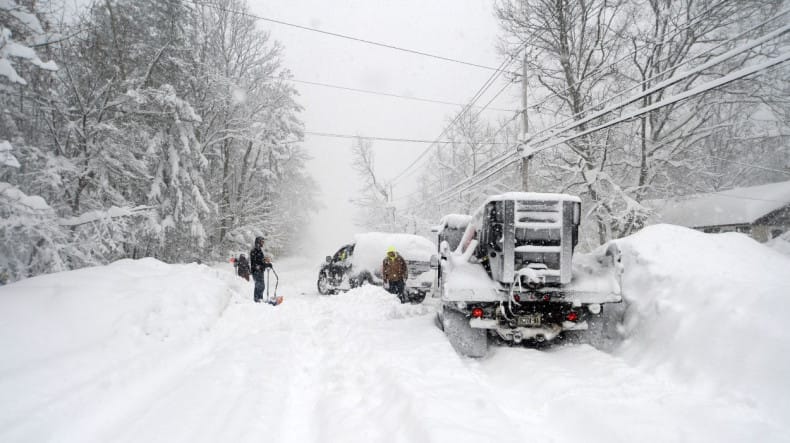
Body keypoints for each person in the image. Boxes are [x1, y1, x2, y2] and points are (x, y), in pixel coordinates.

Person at [249, 236, 272, 303]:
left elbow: (260, 261)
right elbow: (256, 263)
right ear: (258, 242)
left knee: (261, 286)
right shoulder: (254, 250)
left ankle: (259, 299)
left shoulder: (258, 250)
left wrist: (265, 261)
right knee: (259, 286)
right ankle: (257, 299)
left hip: (260, 271)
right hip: (256, 271)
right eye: (262, 241)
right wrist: (265, 264)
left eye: (263, 242)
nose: (263, 243)